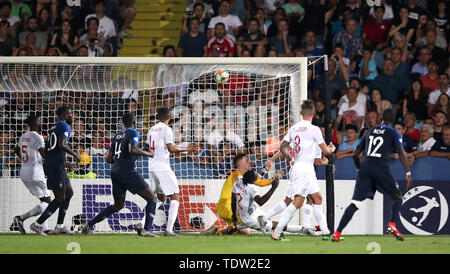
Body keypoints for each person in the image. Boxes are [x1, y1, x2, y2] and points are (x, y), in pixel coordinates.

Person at [330, 109, 412, 242]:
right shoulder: (394, 132)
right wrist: (407, 172)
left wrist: (359, 169)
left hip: (365, 168)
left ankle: (337, 233)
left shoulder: (370, 130)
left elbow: (356, 154)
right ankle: (392, 224)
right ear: (394, 120)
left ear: (380, 119)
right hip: (380, 168)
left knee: (355, 203)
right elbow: (401, 152)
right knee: (397, 196)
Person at [81, 112, 158, 237]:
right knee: (152, 198)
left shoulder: (117, 135)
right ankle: (146, 230)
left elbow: (108, 159)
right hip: (127, 171)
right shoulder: (134, 132)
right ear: (134, 122)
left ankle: (88, 225)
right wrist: (149, 153)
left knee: (118, 205)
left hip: (115, 171)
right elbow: (132, 149)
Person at [270, 99, 335, 241]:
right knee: (297, 202)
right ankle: (277, 231)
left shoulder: (294, 128)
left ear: (300, 113)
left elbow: (283, 147)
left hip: (301, 168)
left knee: (317, 198)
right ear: (314, 113)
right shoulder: (314, 130)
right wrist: (332, 148)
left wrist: (292, 160)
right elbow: (326, 151)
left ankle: (326, 232)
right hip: (305, 170)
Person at [146, 107, 198, 236]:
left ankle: (141, 224)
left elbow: (148, 147)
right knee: (175, 195)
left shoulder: (151, 129)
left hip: (152, 166)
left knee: (159, 198)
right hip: (162, 167)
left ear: (158, 117)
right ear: (169, 115)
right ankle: (169, 230)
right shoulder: (166, 129)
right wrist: (188, 149)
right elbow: (171, 148)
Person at [30, 106, 81, 235]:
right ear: (63, 115)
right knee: (60, 197)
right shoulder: (64, 126)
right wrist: (75, 155)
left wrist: (63, 163)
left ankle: (59, 226)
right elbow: (61, 144)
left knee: (69, 193)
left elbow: (50, 149)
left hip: (57, 165)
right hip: (55, 167)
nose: (72, 115)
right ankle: (37, 224)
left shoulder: (53, 127)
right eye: (70, 113)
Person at [11, 115, 54, 234]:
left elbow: (17, 150)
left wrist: (27, 160)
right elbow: (45, 155)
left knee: (44, 200)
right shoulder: (38, 137)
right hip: (35, 173)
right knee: (49, 202)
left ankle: (43, 227)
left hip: (24, 172)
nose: (42, 122)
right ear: (35, 124)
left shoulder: (24, 136)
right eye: (40, 121)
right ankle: (21, 218)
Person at [231, 169, 302, 235]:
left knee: (267, 217)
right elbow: (260, 202)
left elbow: (233, 201)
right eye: (256, 176)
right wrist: (273, 188)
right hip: (251, 219)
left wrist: (234, 216)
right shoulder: (252, 189)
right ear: (253, 180)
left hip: (253, 211)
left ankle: (263, 227)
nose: (257, 176)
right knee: (279, 225)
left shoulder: (237, 182)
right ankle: (303, 229)